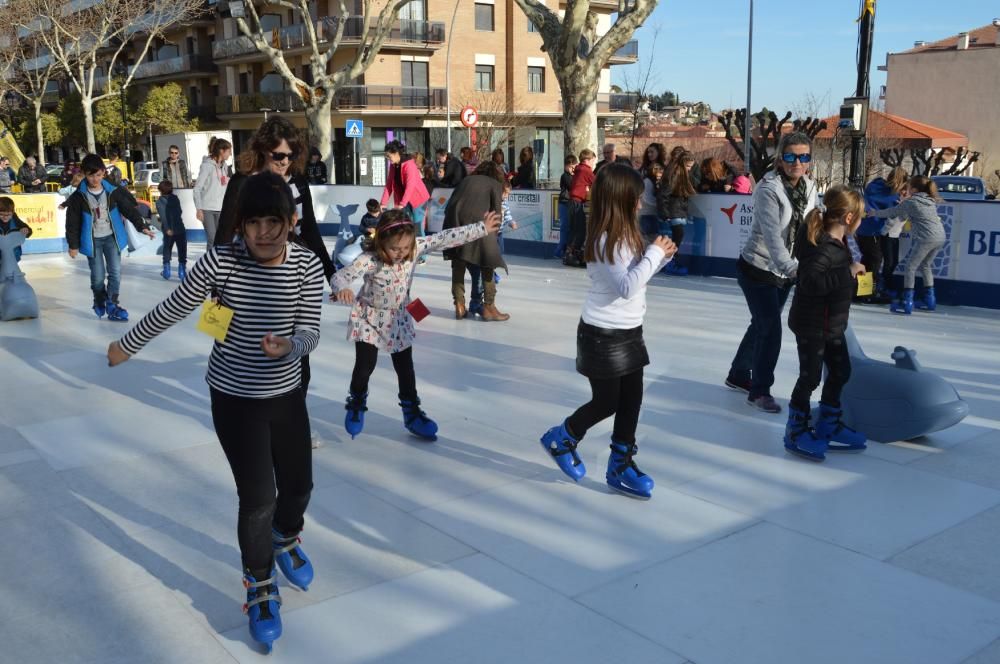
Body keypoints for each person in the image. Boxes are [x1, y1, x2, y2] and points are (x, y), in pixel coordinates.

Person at [107, 172, 324, 652]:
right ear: (241, 226)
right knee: (259, 496)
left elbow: (311, 330)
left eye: (275, 221)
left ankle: (286, 538)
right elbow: (176, 306)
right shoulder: (223, 262)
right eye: (254, 223)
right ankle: (260, 583)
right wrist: (128, 345)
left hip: (286, 394)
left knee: (300, 486)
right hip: (234, 397)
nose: (265, 232)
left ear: (291, 222)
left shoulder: (306, 266)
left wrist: (290, 344)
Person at [539, 164, 677, 499]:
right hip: (602, 335)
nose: (640, 205)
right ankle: (563, 437)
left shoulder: (625, 235)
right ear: (620, 201)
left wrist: (659, 259)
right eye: (636, 200)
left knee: (632, 400)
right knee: (607, 401)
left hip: (629, 331)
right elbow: (627, 287)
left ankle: (621, 462)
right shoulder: (606, 241)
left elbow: (635, 278)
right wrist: (655, 254)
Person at [332, 207, 502, 440]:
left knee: (406, 369)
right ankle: (356, 403)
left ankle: (412, 413)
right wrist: (341, 288)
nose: (401, 253)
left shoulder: (415, 247)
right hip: (368, 317)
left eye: (405, 247)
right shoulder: (369, 260)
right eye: (394, 248)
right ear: (381, 242)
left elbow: (446, 237)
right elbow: (341, 275)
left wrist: (481, 228)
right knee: (365, 366)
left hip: (398, 318)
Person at [725, 132, 818, 413]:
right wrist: (793, 269)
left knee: (761, 324)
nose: (797, 163)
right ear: (780, 158)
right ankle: (759, 391)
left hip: (786, 271)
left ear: (810, 161)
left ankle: (739, 374)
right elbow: (773, 237)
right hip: (758, 268)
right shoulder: (768, 190)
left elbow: (814, 226)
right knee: (771, 329)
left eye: (803, 157)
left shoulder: (810, 188)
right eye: (790, 157)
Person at [784, 185, 868, 461]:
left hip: (831, 324)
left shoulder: (838, 244)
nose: (862, 220)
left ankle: (828, 424)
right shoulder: (824, 249)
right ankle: (795, 430)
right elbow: (809, 282)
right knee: (809, 377)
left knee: (841, 370)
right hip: (813, 326)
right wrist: (847, 274)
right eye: (861, 215)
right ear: (847, 218)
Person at [216, 119, 334, 280]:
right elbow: (225, 231)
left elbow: (309, 230)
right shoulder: (242, 181)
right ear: (264, 149)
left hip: (290, 275)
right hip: (248, 273)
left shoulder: (298, 182)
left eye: (291, 155)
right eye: (278, 155)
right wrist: (217, 284)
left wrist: (332, 275)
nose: (285, 161)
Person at [65, 153, 156, 321]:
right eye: (91, 175)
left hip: (112, 238)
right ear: (84, 174)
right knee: (98, 276)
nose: (95, 179)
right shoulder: (79, 197)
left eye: (98, 175)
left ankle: (112, 304)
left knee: (115, 272)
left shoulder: (112, 191)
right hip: (92, 241)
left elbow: (128, 209)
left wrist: (142, 227)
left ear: (103, 172)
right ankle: (99, 299)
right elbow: (72, 222)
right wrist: (73, 245)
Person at [869, 175, 947, 315]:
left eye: (909, 186)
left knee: (910, 267)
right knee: (925, 265)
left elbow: (892, 212)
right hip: (940, 237)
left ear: (915, 189)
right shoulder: (929, 201)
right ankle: (930, 300)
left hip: (927, 238)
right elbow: (905, 215)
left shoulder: (911, 202)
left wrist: (874, 213)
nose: (907, 189)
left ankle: (907, 301)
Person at [443, 161, 509, 321]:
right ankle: (489, 307)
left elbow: (449, 205)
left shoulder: (465, 181)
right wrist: (493, 237)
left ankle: (459, 306)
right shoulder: (494, 184)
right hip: (480, 224)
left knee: (458, 266)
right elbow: (497, 215)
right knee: (488, 264)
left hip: (455, 223)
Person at [859, 166, 908, 302]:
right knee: (874, 262)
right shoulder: (893, 197)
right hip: (874, 230)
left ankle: (863, 291)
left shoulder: (873, 186)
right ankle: (867, 292)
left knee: (867, 261)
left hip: (861, 228)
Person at [381, 140, 431, 245]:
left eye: (388, 156)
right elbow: (389, 185)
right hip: (404, 201)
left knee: (417, 227)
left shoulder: (409, 165)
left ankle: (422, 256)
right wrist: (383, 203)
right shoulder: (393, 166)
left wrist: (402, 204)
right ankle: (410, 251)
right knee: (407, 227)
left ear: (396, 153)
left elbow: (410, 186)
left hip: (419, 200)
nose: (388, 159)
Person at [656, 152, 694, 275]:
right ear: (683, 164)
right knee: (678, 235)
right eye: (688, 166)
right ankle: (670, 261)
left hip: (678, 210)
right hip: (674, 211)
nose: (690, 169)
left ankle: (671, 260)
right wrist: (664, 213)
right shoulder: (675, 174)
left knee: (678, 236)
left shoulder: (682, 175)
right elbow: (663, 194)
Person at [193, 137, 232, 247]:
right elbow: (197, 188)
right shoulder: (207, 166)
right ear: (221, 151)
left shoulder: (224, 166)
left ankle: (219, 261)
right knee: (212, 238)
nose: (230, 154)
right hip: (207, 208)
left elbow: (224, 186)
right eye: (228, 151)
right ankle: (210, 263)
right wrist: (199, 209)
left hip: (220, 207)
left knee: (220, 238)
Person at [564, 148, 597, 267]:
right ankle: (572, 255)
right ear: (588, 160)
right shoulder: (586, 170)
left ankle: (570, 254)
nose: (594, 164)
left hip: (573, 202)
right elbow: (597, 182)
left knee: (575, 230)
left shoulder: (579, 170)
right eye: (593, 161)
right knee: (581, 231)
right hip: (577, 202)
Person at [156, 179, 187, 281]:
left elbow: (163, 216)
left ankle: (167, 271)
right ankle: (182, 271)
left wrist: (168, 228)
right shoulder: (176, 198)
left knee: (167, 249)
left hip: (169, 230)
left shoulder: (159, 201)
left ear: (161, 190)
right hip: (180, 227)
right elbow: (180, 211)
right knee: (182, 248)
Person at [555, 154, 578, 258]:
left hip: (570, 203)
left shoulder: (573, 175)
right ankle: (559, 251)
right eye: (569, 166)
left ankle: (566, 250)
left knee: (569, 228)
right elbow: (571, 186)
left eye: (573, 166)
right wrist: (574, 174)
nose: (571, 168)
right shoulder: (565, 176)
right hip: (564, 203)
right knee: (564, 228)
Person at [0, 197, 32, 266]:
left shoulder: (15, 219)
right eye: (2, 214)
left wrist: (26, 230)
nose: (5, 217)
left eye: (8, 215)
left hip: (13, 256)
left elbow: (28, 230)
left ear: (12, 212)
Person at [639, 162, 663, 243]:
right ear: (654, 171)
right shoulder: (648, 181)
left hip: (651, 214)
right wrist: (659, 203)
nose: (661, 175)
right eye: (660, 172)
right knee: (648, 239)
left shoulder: (654, 182)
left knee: (652, 237)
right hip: (646, 214)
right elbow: (647, 198)